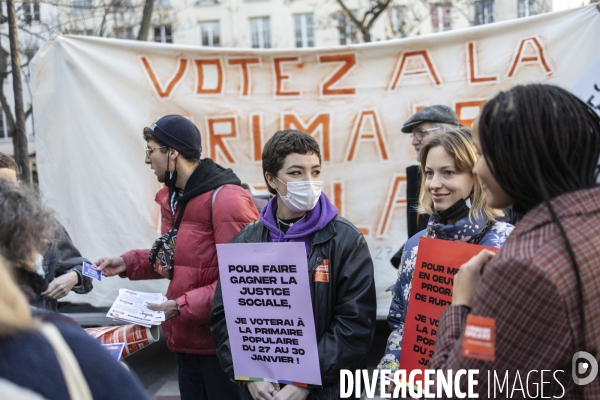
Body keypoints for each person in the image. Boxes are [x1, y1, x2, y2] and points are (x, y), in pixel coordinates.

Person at [429, 84, 600, 398]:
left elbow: (454, 390)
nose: (477, 167)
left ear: (520, 154)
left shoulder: (524, 266)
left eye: (482, 154)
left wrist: (462, 305)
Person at [95, 115, 259, 400]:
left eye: (151, 150)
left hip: (223, 349)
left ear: (172, 152)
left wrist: (181, 305)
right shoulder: (174, 198)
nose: (147, 160)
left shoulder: (227, 200)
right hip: (186, 342)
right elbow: (180, 261)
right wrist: (128, 263)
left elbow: (245, 282)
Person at [210, 129, 377, 400]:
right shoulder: (245, 241)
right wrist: (248, 375)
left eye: (315, 171)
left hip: (327, 390)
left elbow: (355, 325)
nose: (309, 181)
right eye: (296, 173)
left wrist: (306, 379)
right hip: (264, 390)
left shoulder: (346, 240)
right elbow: (224, 318)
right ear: (271, 179)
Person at [377, 127, 513, 379]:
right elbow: (400, 325)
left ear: (476, 176)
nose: (434, 184)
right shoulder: (415, 246)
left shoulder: (509, 243)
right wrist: (390, 377)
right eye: (429, 173)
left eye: (448, 172)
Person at [0, 180, 149, 400]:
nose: (7, 189)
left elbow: (91, 269)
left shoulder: (49, 229)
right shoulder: (58, 341)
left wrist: (75, 276)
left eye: (9, 182)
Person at [0, 152, 93, 311]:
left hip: (36, 328)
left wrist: (74, 276)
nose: (4, 192)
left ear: (19, 186)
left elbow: (93, 272)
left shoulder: (44, 226)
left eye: (8, 184)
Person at [390, 105, 461, 268]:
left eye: (422, 133)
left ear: (446, 131)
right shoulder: (418, 176)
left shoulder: (479, 176)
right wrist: (405, 259)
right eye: (429, 173)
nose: (415, 141)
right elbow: (425, 230)